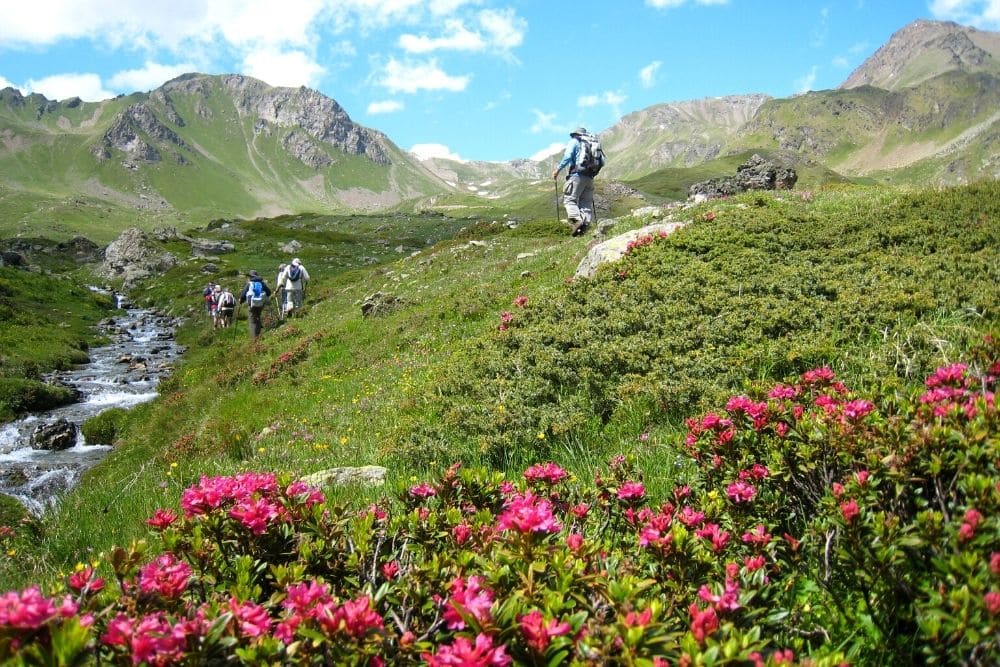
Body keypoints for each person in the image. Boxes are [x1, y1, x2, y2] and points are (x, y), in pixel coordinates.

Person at [552, 127, 601, 236]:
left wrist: (557, 170)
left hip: (577, 175)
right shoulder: (593, 143)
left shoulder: (574, 141)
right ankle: (585, 226)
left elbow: (567, 156)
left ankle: (576, 220)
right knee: (586, 202)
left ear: (575, 134)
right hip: (590, 178)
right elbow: (602, 161)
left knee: (569, 200)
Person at [239, 270, 272, 341]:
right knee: (257, 316)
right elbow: (269, 292)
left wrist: (241, 301)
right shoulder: (262, 283)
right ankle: (259, 333)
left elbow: (243, 295)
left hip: (252, 304)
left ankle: (255, 338)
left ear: (251, 277)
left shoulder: (249, 283)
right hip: (260, 304)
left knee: (252, 320)